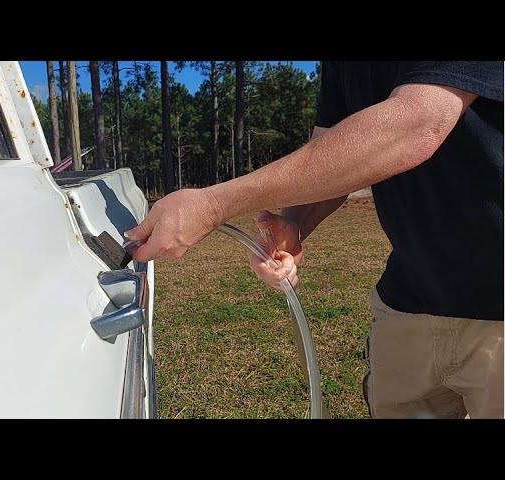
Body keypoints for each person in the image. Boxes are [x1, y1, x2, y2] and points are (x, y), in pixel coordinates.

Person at [125, 62, 503, 419]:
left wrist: (212, 204)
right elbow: (337, 151)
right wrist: (292, 223)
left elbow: (417, 123)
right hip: (409, 303)